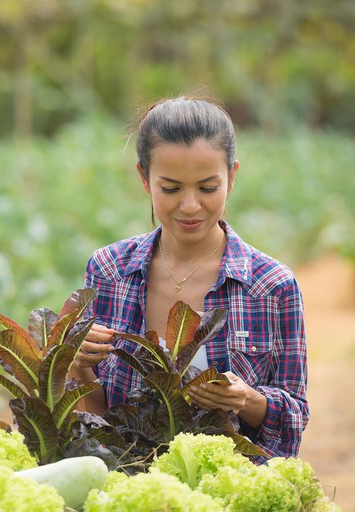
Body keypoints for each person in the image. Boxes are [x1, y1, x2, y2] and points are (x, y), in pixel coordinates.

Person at [69, 96, 309, 459]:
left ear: (232, 176)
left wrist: (246, 399)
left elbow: (295, 415)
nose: (191, 205)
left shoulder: (271, 286)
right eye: (171, 188)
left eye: (208, 188)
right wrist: (79, 365)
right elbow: (97, 422)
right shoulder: (108, 271)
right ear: (144, 178)